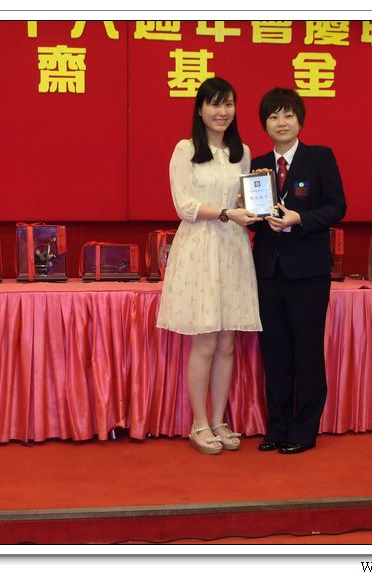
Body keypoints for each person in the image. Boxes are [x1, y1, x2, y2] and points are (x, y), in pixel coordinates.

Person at [156, 77, 262, 455]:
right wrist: (226, 213)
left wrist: (254, 205)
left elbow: (244, 200)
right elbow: (183, 205)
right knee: (205, 341)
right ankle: (198, 423)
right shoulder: (185, 149)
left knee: (228, 341)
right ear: (200, 109)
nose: (222, 111)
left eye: (228, 104)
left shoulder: (242, 153)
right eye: (215, 104)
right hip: (200, 247)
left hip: (233, 248)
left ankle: (219, 419)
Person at [249, 88, 346, 455]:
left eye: (288, 115)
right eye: (273, 116)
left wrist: (299, 219)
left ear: (300, 120)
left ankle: (304, 430)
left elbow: (337, 206)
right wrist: (251, 210)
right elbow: (255, 221)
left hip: (308, 274)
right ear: (265, 124)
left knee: (306, 352)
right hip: (268, 273)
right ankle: (277, 427)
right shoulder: (258, 164)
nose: (281, 122)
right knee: (274, 353)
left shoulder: (319, 158)